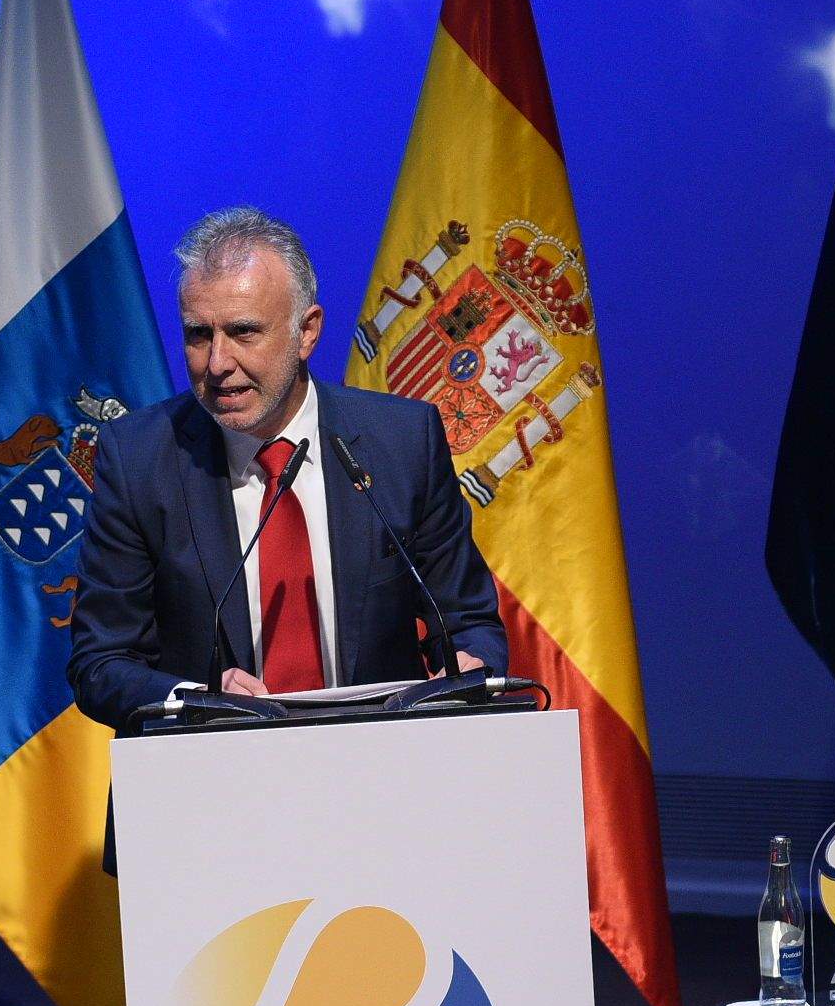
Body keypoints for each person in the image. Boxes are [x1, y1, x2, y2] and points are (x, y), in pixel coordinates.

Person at [68, 207, 507, 728]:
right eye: (198, 335)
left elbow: (468, 620)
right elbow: (101, 663)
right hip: (208, 776)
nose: (217, 364)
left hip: (382, 773)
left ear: (307, 332)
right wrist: (198, 698)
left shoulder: (403, 443)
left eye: (244, 332)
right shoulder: (140, 458)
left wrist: (465, 668)